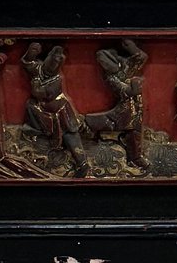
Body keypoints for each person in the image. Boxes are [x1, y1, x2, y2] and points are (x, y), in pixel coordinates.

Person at [22, 41, 90, 176]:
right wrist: (32, 51)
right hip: (42, 109)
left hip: (60, 110)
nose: (51, 67)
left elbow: (40, 94)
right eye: (50, 62)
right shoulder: (39, 69)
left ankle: (82, 163)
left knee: (70, 133)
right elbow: (27, 63)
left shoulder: (56, 80)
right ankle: (38, 133)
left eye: (55, 65)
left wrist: (36, 85)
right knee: (30, 106)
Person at [88, 38, 149, 169]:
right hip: (125, 108)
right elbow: (126, 92)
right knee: (131, 126)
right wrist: (135, 86)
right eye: (104, 63)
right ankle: (135, 157)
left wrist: (131, 47)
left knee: (134, 126)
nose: (106, 65)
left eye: (108, 62)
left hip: (135, 106)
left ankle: (135, 156)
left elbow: (142, 57)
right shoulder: (111, 78)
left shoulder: (125, 68)